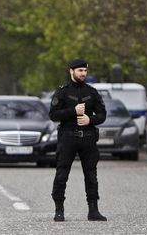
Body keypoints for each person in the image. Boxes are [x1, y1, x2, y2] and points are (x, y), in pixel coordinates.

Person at [49, 59, 107, 222]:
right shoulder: (62, 92)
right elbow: (53, 115)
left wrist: (91, 120)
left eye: (85, 71)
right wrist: (72, 111)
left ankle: (93, 210)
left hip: (88, 138)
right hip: (68, 137)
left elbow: (102, 115)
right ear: (71, 71)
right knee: (62, 174)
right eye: (80, 70)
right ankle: (59, 210)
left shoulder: (92, 92)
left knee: (91, 175)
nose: (83, 73)